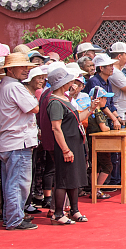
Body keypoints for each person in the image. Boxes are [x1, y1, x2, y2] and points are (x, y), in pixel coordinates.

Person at [0, 52, 41, 230]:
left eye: (27, 67)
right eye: (22, 67)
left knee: (12, 182)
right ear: (10, 70)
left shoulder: (5, 85)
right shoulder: (14, 87)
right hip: (17, 141)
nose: (26, 70)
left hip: (10, 141)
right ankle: (14, 218)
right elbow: (34, 107)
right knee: (18, 183)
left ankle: (11, 216)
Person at [45, 67, 89, 225]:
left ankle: (74, 210)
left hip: (74, 143)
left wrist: (91, 109)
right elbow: (56, 128)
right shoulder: (55, 102)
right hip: (65, 145)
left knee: (74, 177)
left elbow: (77, 118)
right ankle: (58, 213)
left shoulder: (65, 99)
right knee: (63, 179)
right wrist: (65, 149)